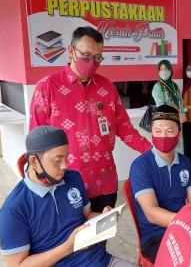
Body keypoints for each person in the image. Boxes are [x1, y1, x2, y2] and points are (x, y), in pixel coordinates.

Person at [29, 26, 152, 213]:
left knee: (101, 238)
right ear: (71, 51)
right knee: (72, 239)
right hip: (64, 182)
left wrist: (151, 151)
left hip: (104, 181)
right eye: (86, 55)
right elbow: (36, 140)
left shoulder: (107, 88)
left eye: (97, 57)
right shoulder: (47, 87)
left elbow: (125, 128)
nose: (92, 62)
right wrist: (39, 178)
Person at [0, 126, 132, 267]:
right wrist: (68, 247)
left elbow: (87, 215)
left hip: (102, 261)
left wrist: (105, 217)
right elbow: (18, 265)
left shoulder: (73, 178)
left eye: (66, 157)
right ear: (34, 162)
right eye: (57, 160)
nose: (64, 166)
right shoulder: (13, 210)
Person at [129, 105, 191, 263]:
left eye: (169, 131)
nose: (163, 136)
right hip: (155, 236)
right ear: (151, 132)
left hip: (184, 229)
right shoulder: (141, 166)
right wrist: (187, 222)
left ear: (179, 132)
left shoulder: (185, 162)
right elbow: (152, 213)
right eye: (158, 131)